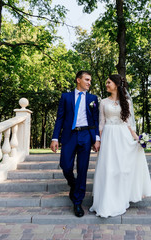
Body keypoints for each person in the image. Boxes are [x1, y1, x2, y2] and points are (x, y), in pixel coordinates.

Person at [89, 74, 151, 218]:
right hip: (108, 136)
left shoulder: (127, 103)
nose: (106, 85)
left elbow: (129, 124)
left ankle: (121, 197)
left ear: (117, 85)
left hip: (123, 136)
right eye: (106, 82)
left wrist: (138, 139)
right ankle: (106, 201)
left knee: (121, 169)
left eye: (109, 82)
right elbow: (101, 122)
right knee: (108, 168)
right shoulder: (103, 102)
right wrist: (97, 140)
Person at [50, 70, 100, 218]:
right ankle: (73, 184)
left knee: (83, 169)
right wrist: (55, 138)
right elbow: (60, 118)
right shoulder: (65, 97)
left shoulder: (93, 98)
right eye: (87, 79)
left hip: (85, 135)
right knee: (65, 165)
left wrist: (96, 138)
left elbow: (96, 120)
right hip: (69, 135)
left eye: (90, 80)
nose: (89, 83)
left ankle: (78, 202)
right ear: (78, 80)